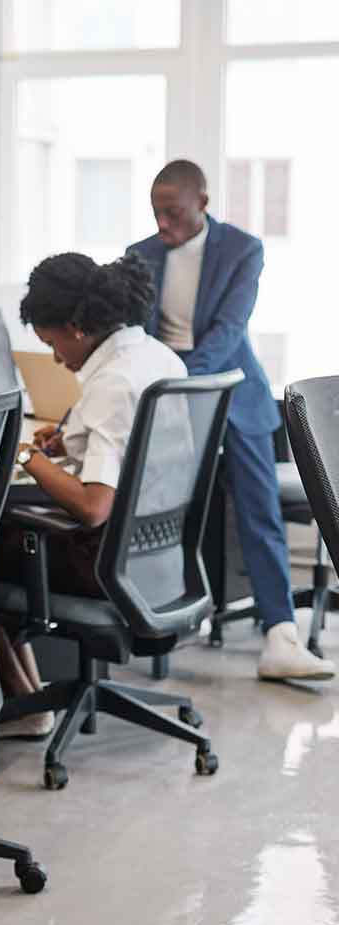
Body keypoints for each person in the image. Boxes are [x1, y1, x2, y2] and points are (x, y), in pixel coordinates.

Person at [128, 159, 332, 681]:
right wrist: (161, 384)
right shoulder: (140, 256)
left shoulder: (242, 249)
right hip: (165, 394)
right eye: (155, 212)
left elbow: (228, 329)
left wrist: (180, 379)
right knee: (154, 508)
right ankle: (152, 625)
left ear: (203, 202)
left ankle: (281, 635)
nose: (162, 224)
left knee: (257, 507)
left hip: (231, 390)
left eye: (172, 212)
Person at [0, 252, 189, 737]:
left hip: (108, 566)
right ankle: (31, 699)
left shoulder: (113, 381)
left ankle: (25, 705)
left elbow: (93, 506)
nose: (57, 359)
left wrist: (24, 457)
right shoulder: (155, 356)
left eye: (53, 343)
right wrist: (68, 442)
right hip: (160, 554)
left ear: (77, 327)